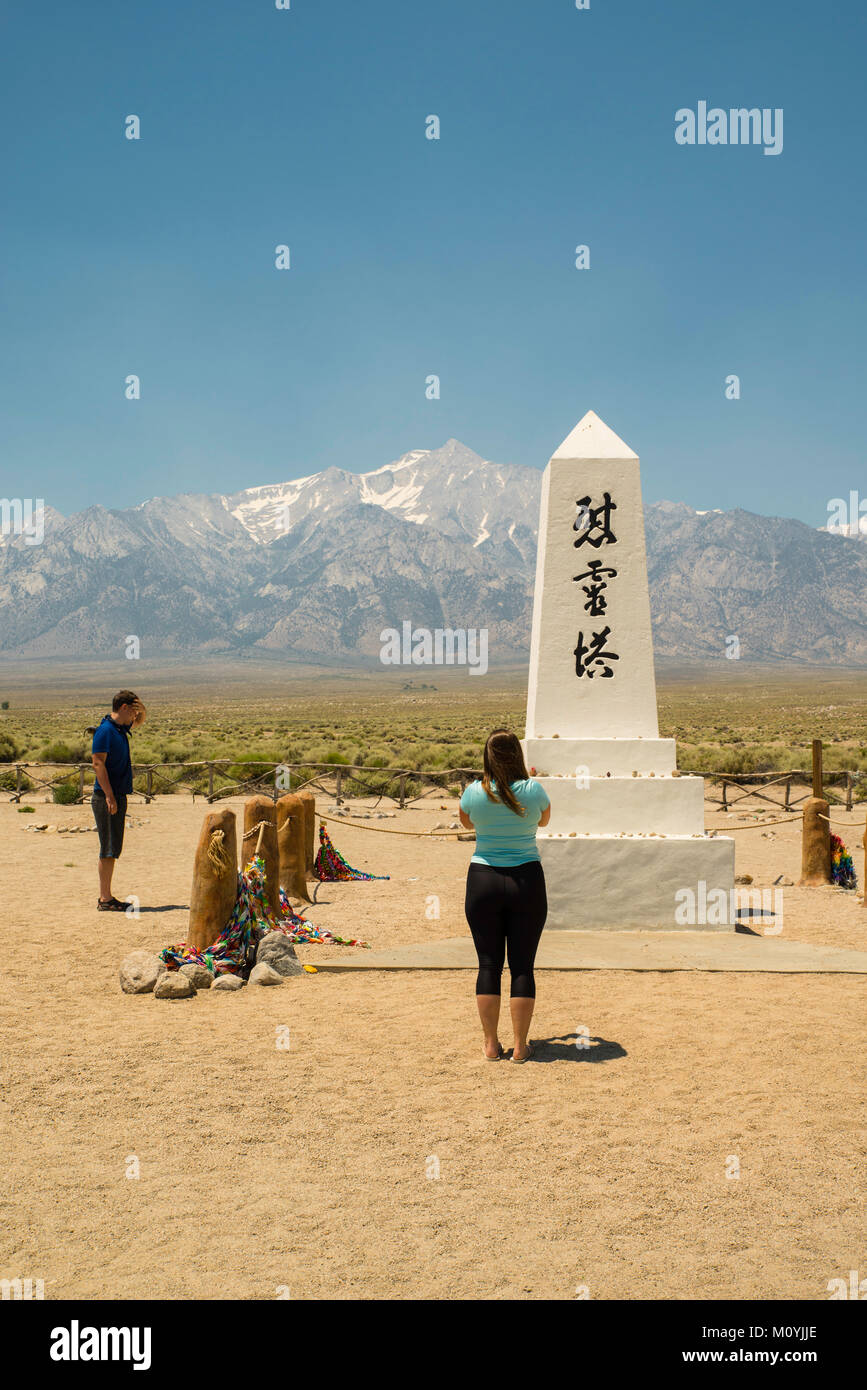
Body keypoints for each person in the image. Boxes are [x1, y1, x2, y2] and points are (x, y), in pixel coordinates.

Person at [459, 729, 550, 1063]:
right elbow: (544, 820)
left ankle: (490, 1044)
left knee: (488, 964)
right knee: (522, 967)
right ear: (518, 755)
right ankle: (521, 1045)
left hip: (483, 879)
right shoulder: (533, 790)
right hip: (526, 878)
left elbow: (467, 824)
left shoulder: (473, 791)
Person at [91, 690, 146, 911]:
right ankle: (105, 899)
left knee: (113, 848)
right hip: (107, 797)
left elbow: (140, 721)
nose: (136, 715)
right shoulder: (105, 731)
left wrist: (141, 710)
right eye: (133, 709)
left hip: (116, 795)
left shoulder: (119, 729)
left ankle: (107, 897)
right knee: (108, 848)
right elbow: (97, 764)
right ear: (124, 708)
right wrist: (109, 795)